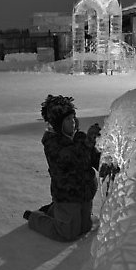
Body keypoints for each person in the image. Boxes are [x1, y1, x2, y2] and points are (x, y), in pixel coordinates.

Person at [24, 95, 101, 242]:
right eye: (67, 119)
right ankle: (34, 218)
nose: (72, 122)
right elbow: (69, 159)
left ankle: (55, 211)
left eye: (73, 118)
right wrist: (87, 143)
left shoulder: (80, 137)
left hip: (85, 193)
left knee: (85, 227)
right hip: (67, 195)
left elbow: (92, 156)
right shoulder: (52, 143)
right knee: (68, 234)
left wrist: (105, 164)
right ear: (58, 123)